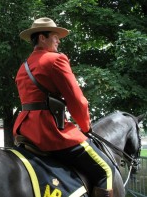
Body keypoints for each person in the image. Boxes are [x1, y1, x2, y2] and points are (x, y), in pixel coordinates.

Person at [13, 17, 115, 197]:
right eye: (55, 36)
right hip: (49, 131)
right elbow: (77, 100)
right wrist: (85, 127)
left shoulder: (23, 67)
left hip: (26, 132)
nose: (59, 41)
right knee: (105, 170)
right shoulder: (55, 60)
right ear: (42, 38)